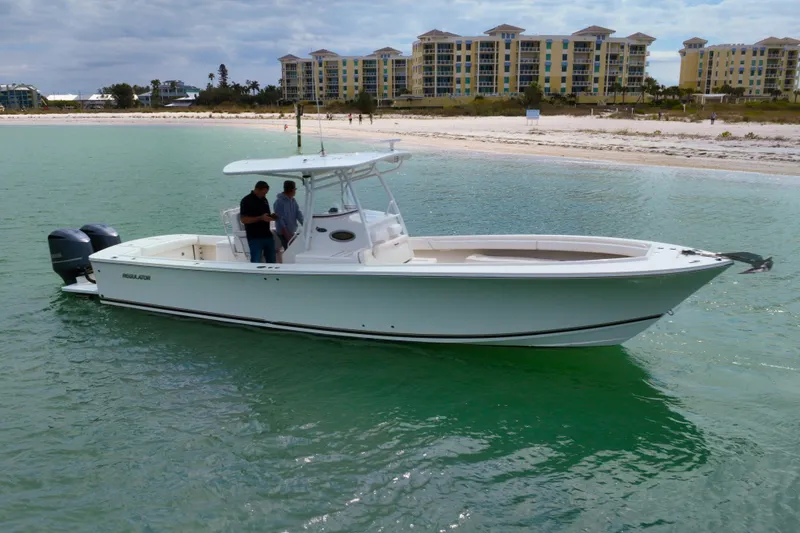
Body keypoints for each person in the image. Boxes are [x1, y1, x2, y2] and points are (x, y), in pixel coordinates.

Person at [239, 180, 278, 263]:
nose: (265, 195)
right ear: (257, 189)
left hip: (267, 235)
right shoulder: (246, 201)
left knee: (272, 260)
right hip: (255, 237)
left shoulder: (264, 200)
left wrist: (271, 217)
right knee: (255, 260)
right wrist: (260, 218)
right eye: (264, 193)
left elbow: (266, 215)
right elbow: (243, 219)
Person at [273, 180, 304, 251]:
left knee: (294, 249)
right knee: (289, 251)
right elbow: (280, 220)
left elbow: (298, 213)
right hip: (284, 233)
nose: (295, 191)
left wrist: (305, 224)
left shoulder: (293, 200)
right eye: (295, 189)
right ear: (292, 190)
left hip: (292, 231)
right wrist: (287, 235)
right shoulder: (279, 202)